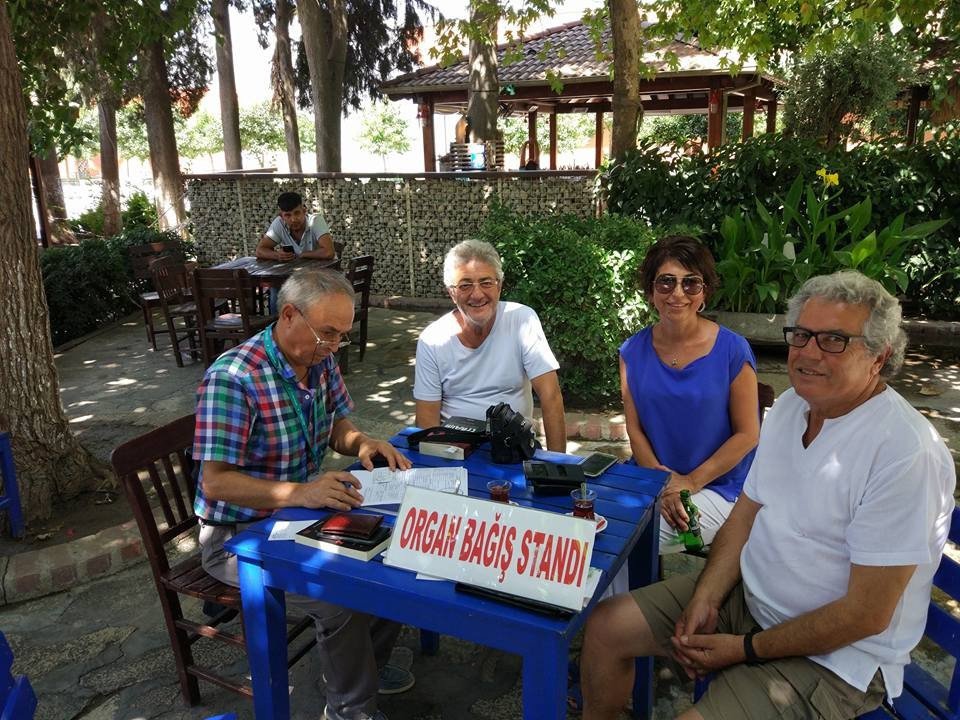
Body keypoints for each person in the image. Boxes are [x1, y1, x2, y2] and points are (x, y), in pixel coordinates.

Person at [580, 270, 956, 720]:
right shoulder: (792, 408)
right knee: (604, 627)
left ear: (879, 357)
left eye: (834, 340)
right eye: (802, 335)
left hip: (836, 659)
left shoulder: (904, 451)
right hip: (751, 600)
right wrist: (706, 596)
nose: (808, 353)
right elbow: (745, 514)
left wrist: (743, 649)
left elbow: (866, 616)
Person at [193, 268, 414, 720]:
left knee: (397, 559)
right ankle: (349, 708)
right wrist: (303, 493)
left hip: (295, 518)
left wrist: (363, 443)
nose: (334, 346)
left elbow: (337, 425)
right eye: (327, 333)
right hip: (237, 538)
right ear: (288, 315)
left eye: (341, 335)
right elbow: (215, 482)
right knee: (339, 596)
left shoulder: (319, 359)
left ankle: (362, 670)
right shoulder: (235, 378)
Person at [621, 235, 759, 553]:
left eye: (690, 283)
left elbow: (748, 434)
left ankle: (642, 602)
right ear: (651, 292)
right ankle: (616, 601)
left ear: (704, 291)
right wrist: (664, 484)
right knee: (596, 522)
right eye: (666, 283)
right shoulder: (631, 351)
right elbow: (634, 428)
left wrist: (690, 482)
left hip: (721, 486)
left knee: (639, 537)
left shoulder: (733, 350)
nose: (678, 294)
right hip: (653, 480)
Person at [413, 239, 566, 451]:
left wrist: (559, 465)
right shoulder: (432, 340)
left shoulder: (522, 320)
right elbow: (426, 422)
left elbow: (551, 397)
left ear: (499, 286)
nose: (477, 294)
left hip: (514, 447)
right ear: (452, 293)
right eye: (465, 285)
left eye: (486, 282)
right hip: (455, 449)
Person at [256, 190, 335, 262]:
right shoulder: (279, 223)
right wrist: (277, 255)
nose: (293, 219)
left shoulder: (316, 220)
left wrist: (302, 254)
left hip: (323, 272)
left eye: (297, 213)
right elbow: (260, 250)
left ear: (304, 211)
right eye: (288, 215)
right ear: (281, 216)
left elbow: (328, 252)